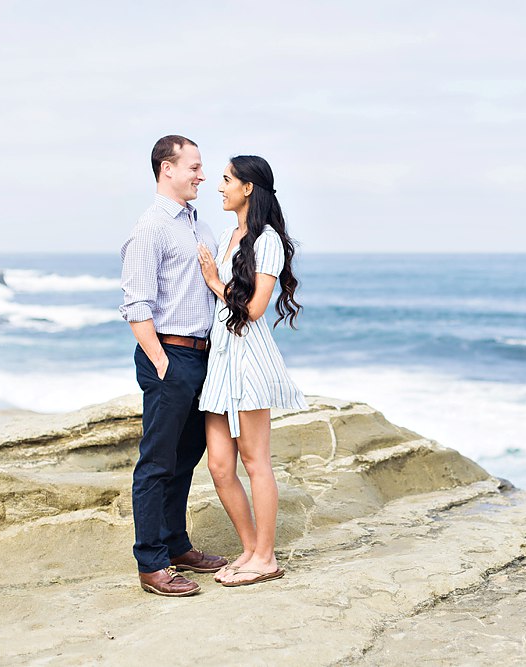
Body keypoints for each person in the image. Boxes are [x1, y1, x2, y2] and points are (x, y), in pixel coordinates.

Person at [119, 135, 229, 597]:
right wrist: (163, 362)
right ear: (167, 168)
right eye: (194, 167)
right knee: (156, 462)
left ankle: (177, 544)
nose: (202, 175)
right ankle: (151, 562)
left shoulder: (197, 225)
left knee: (186, 458)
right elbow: (136, 304)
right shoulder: (152, 227)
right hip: (169, 354)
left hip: (201, 355)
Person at [196, 155, 307, 587]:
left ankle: (266, 557)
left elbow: (256, 308)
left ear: (248, 188)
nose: (218, 186)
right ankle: (249, 549)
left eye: (225, 180)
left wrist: (213, 282)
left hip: (249, 357)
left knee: (255, 460)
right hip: (221, 359)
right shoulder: (228, 234)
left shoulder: (268, 241)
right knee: (220, 466)